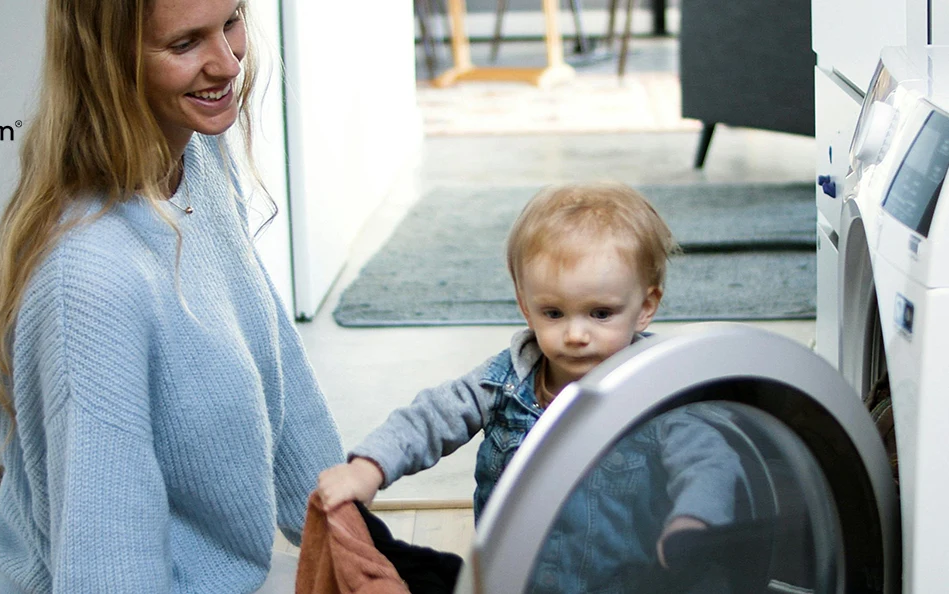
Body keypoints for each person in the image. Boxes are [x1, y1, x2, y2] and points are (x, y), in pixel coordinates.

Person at [0, 0, 343, 591]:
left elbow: (275, 360)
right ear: (110, 63)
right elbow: (108, 573)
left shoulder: (197, 153)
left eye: (232, 21)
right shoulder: (88, 280)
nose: (227, 62)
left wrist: (344, 535)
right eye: (186, 44)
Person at [316, 182, 744, 592]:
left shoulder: (660, 389)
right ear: (525, 305)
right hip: (512, 580)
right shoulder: (503, 382)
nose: (576, 334)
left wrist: (694, 522)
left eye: (600, 313)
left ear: (646, 306)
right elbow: (430, 418)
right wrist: (368, 468)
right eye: (554, 313)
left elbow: (709, 459)